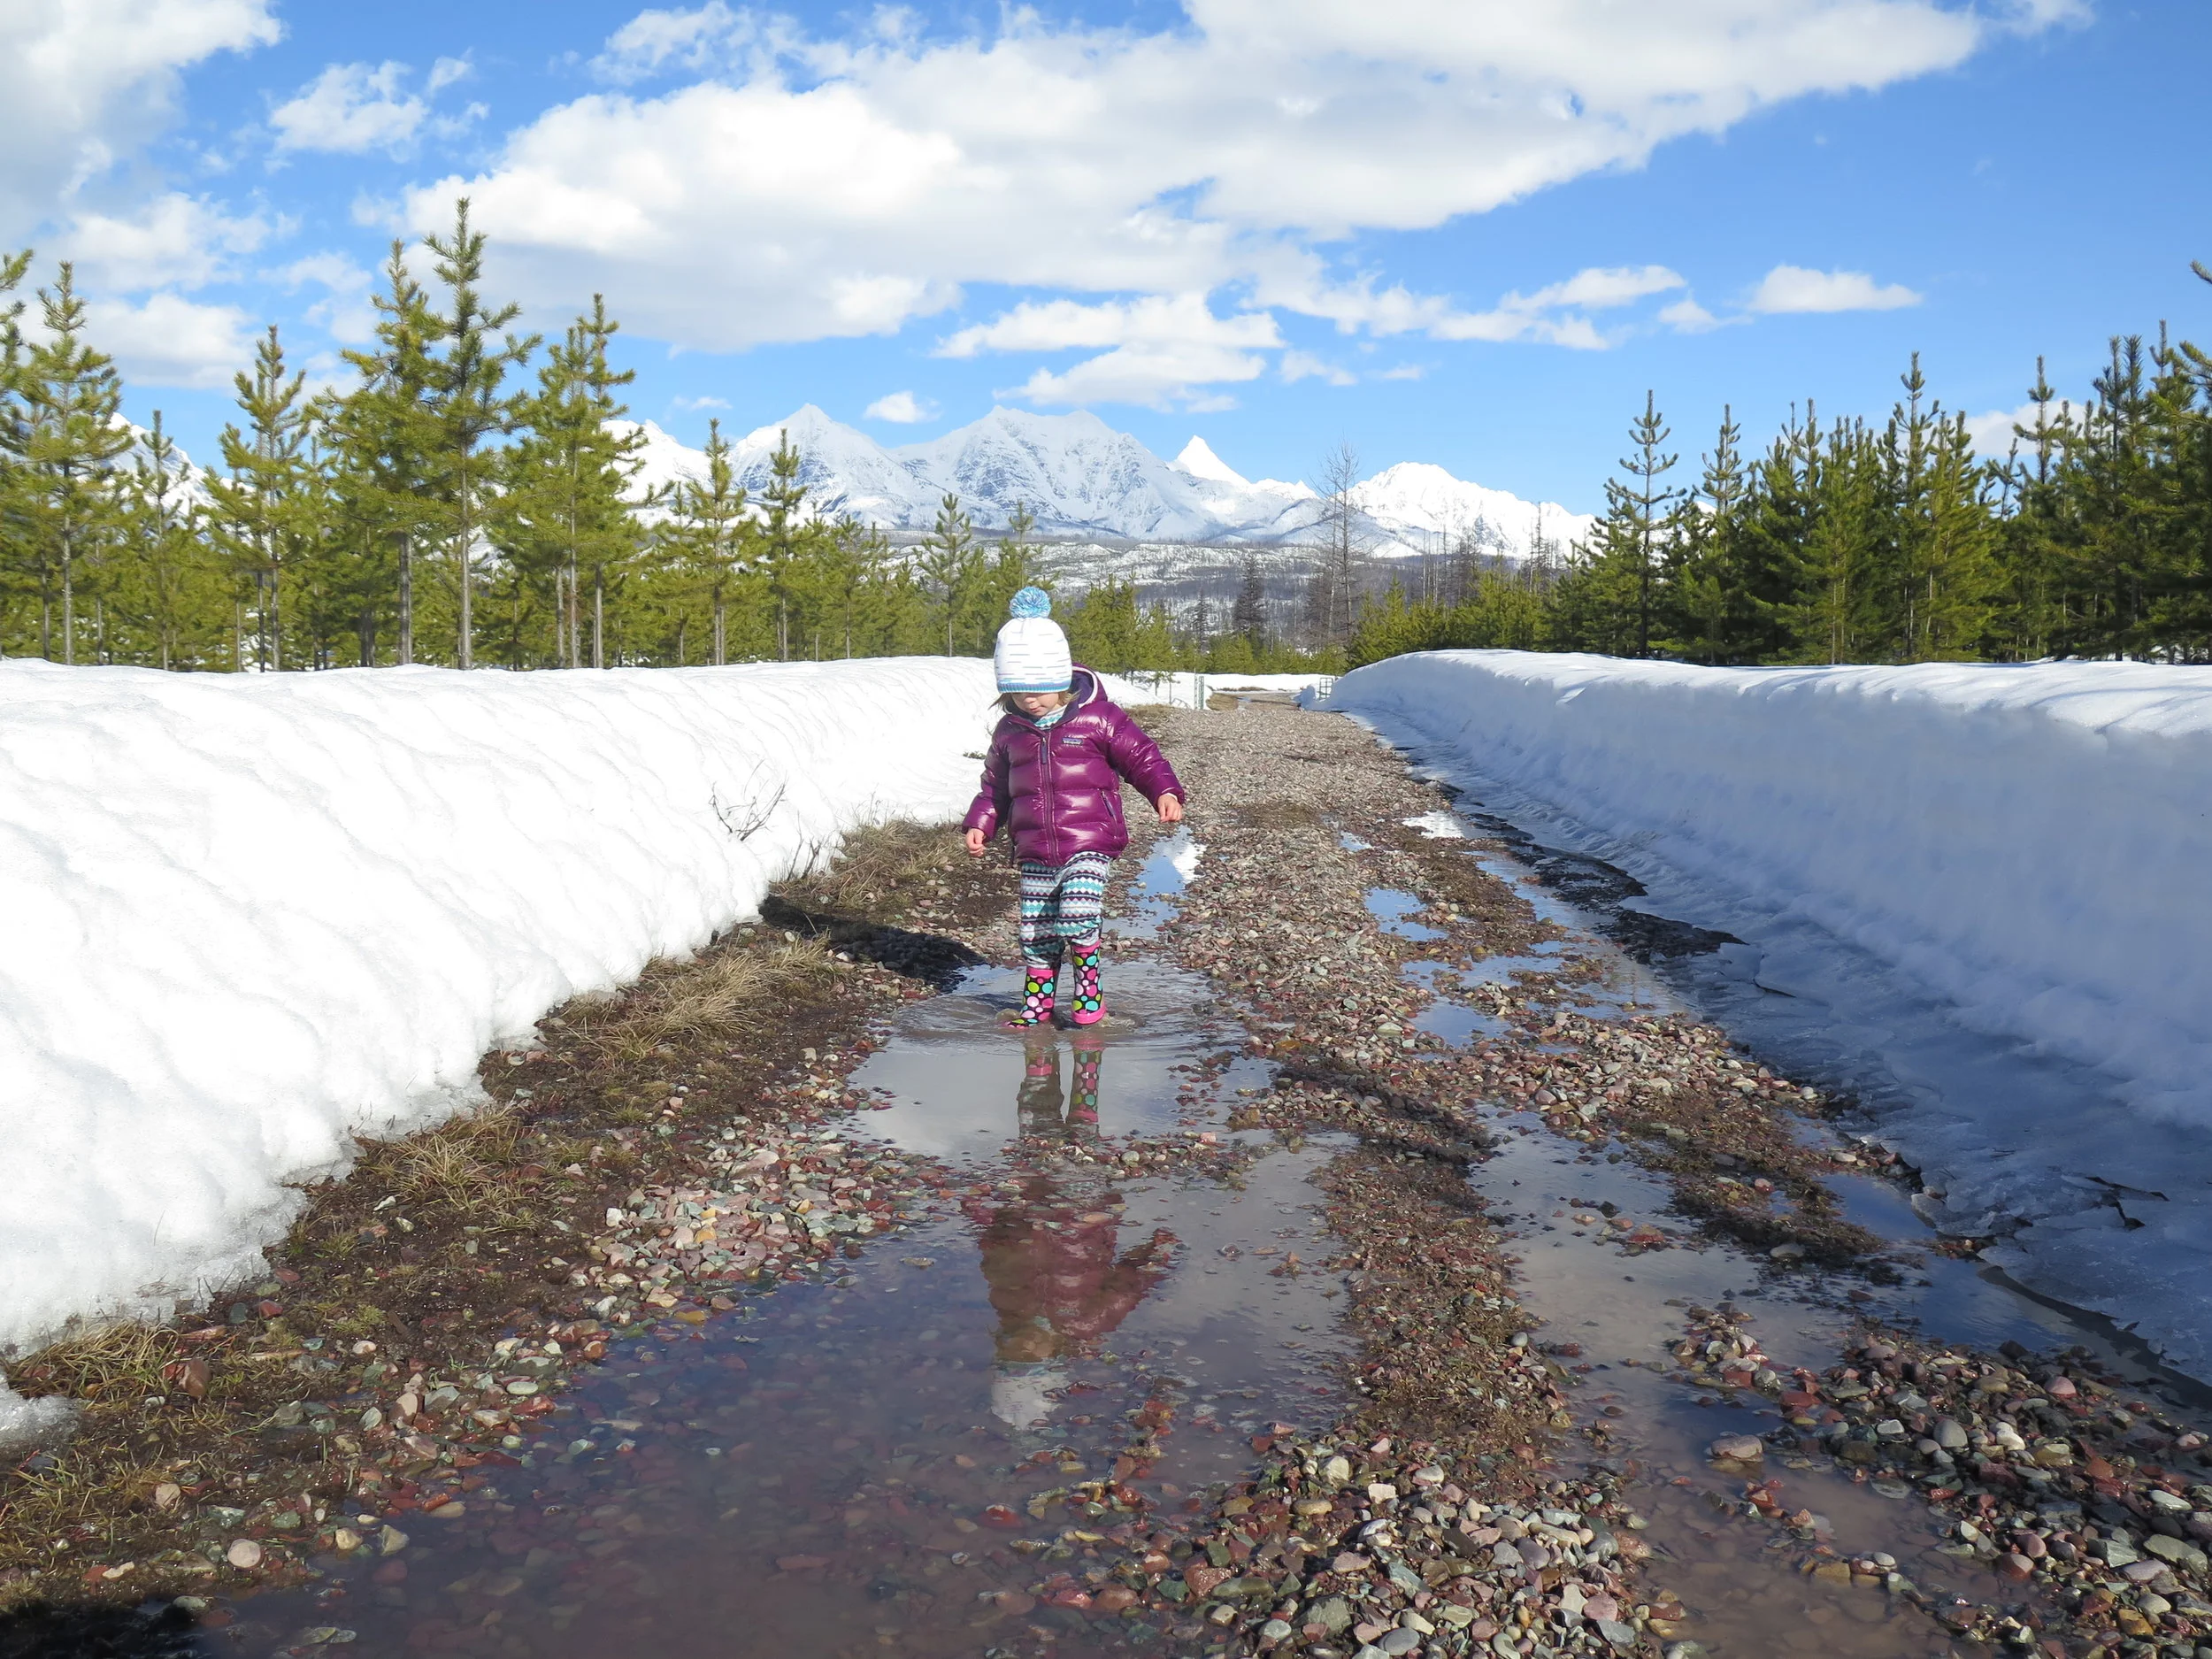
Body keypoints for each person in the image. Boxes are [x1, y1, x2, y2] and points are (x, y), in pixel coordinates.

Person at [964, 587, 1184, 1028]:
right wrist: (982, 823)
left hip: (1090, 839)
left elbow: (1142, 756)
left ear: (1061, 682)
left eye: (1042, 690)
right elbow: (995, 786)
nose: (1032, 700)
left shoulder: (1099, 717)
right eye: (1020, 693)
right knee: (1036, 930)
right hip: (1035, 847)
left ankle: (1089, 990)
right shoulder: (1010, 731)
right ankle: (1038, 1004)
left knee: (1077, 915)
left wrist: (1164, 790)